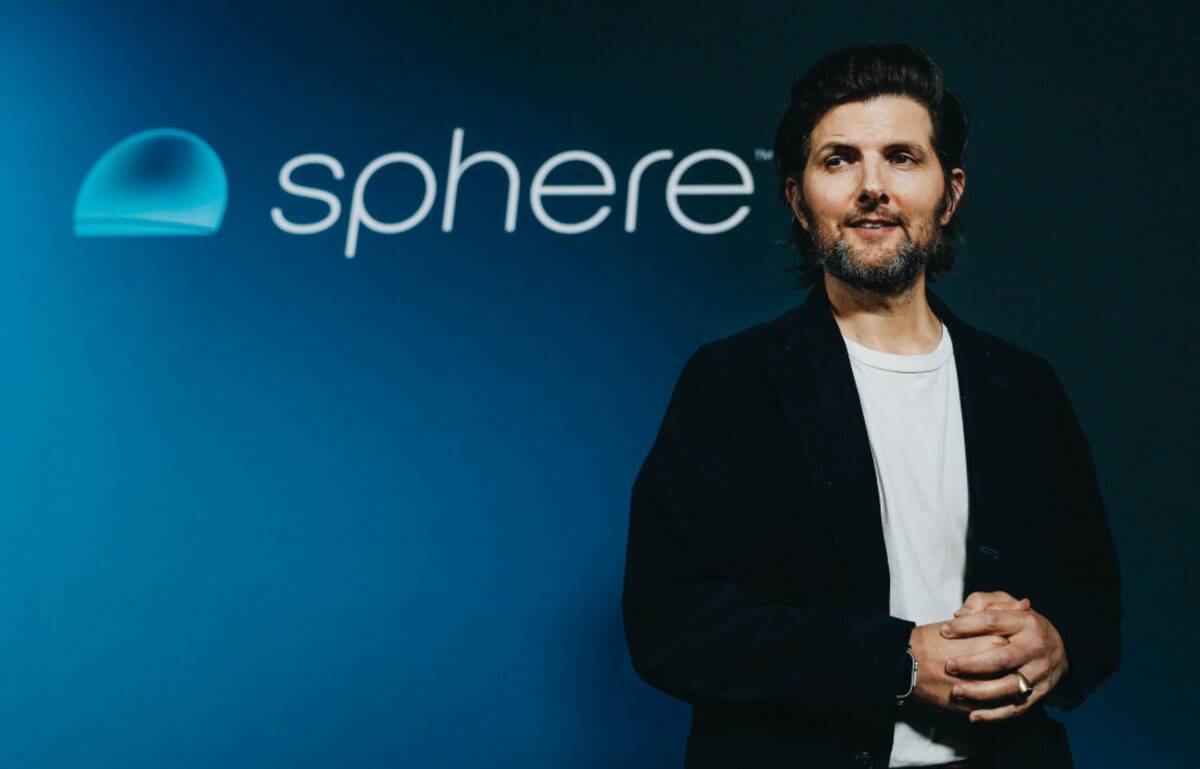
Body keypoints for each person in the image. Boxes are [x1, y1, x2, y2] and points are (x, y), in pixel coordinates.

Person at [621, 44, 1121, 769]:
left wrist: (1060, 643)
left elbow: (1094, 599)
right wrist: (898, 661)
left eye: (901, 157)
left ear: (949, 194)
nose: (872, 186)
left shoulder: (1025, 389)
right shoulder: (730, 383)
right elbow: (671, 622)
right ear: (797, 198)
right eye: (839, 160)